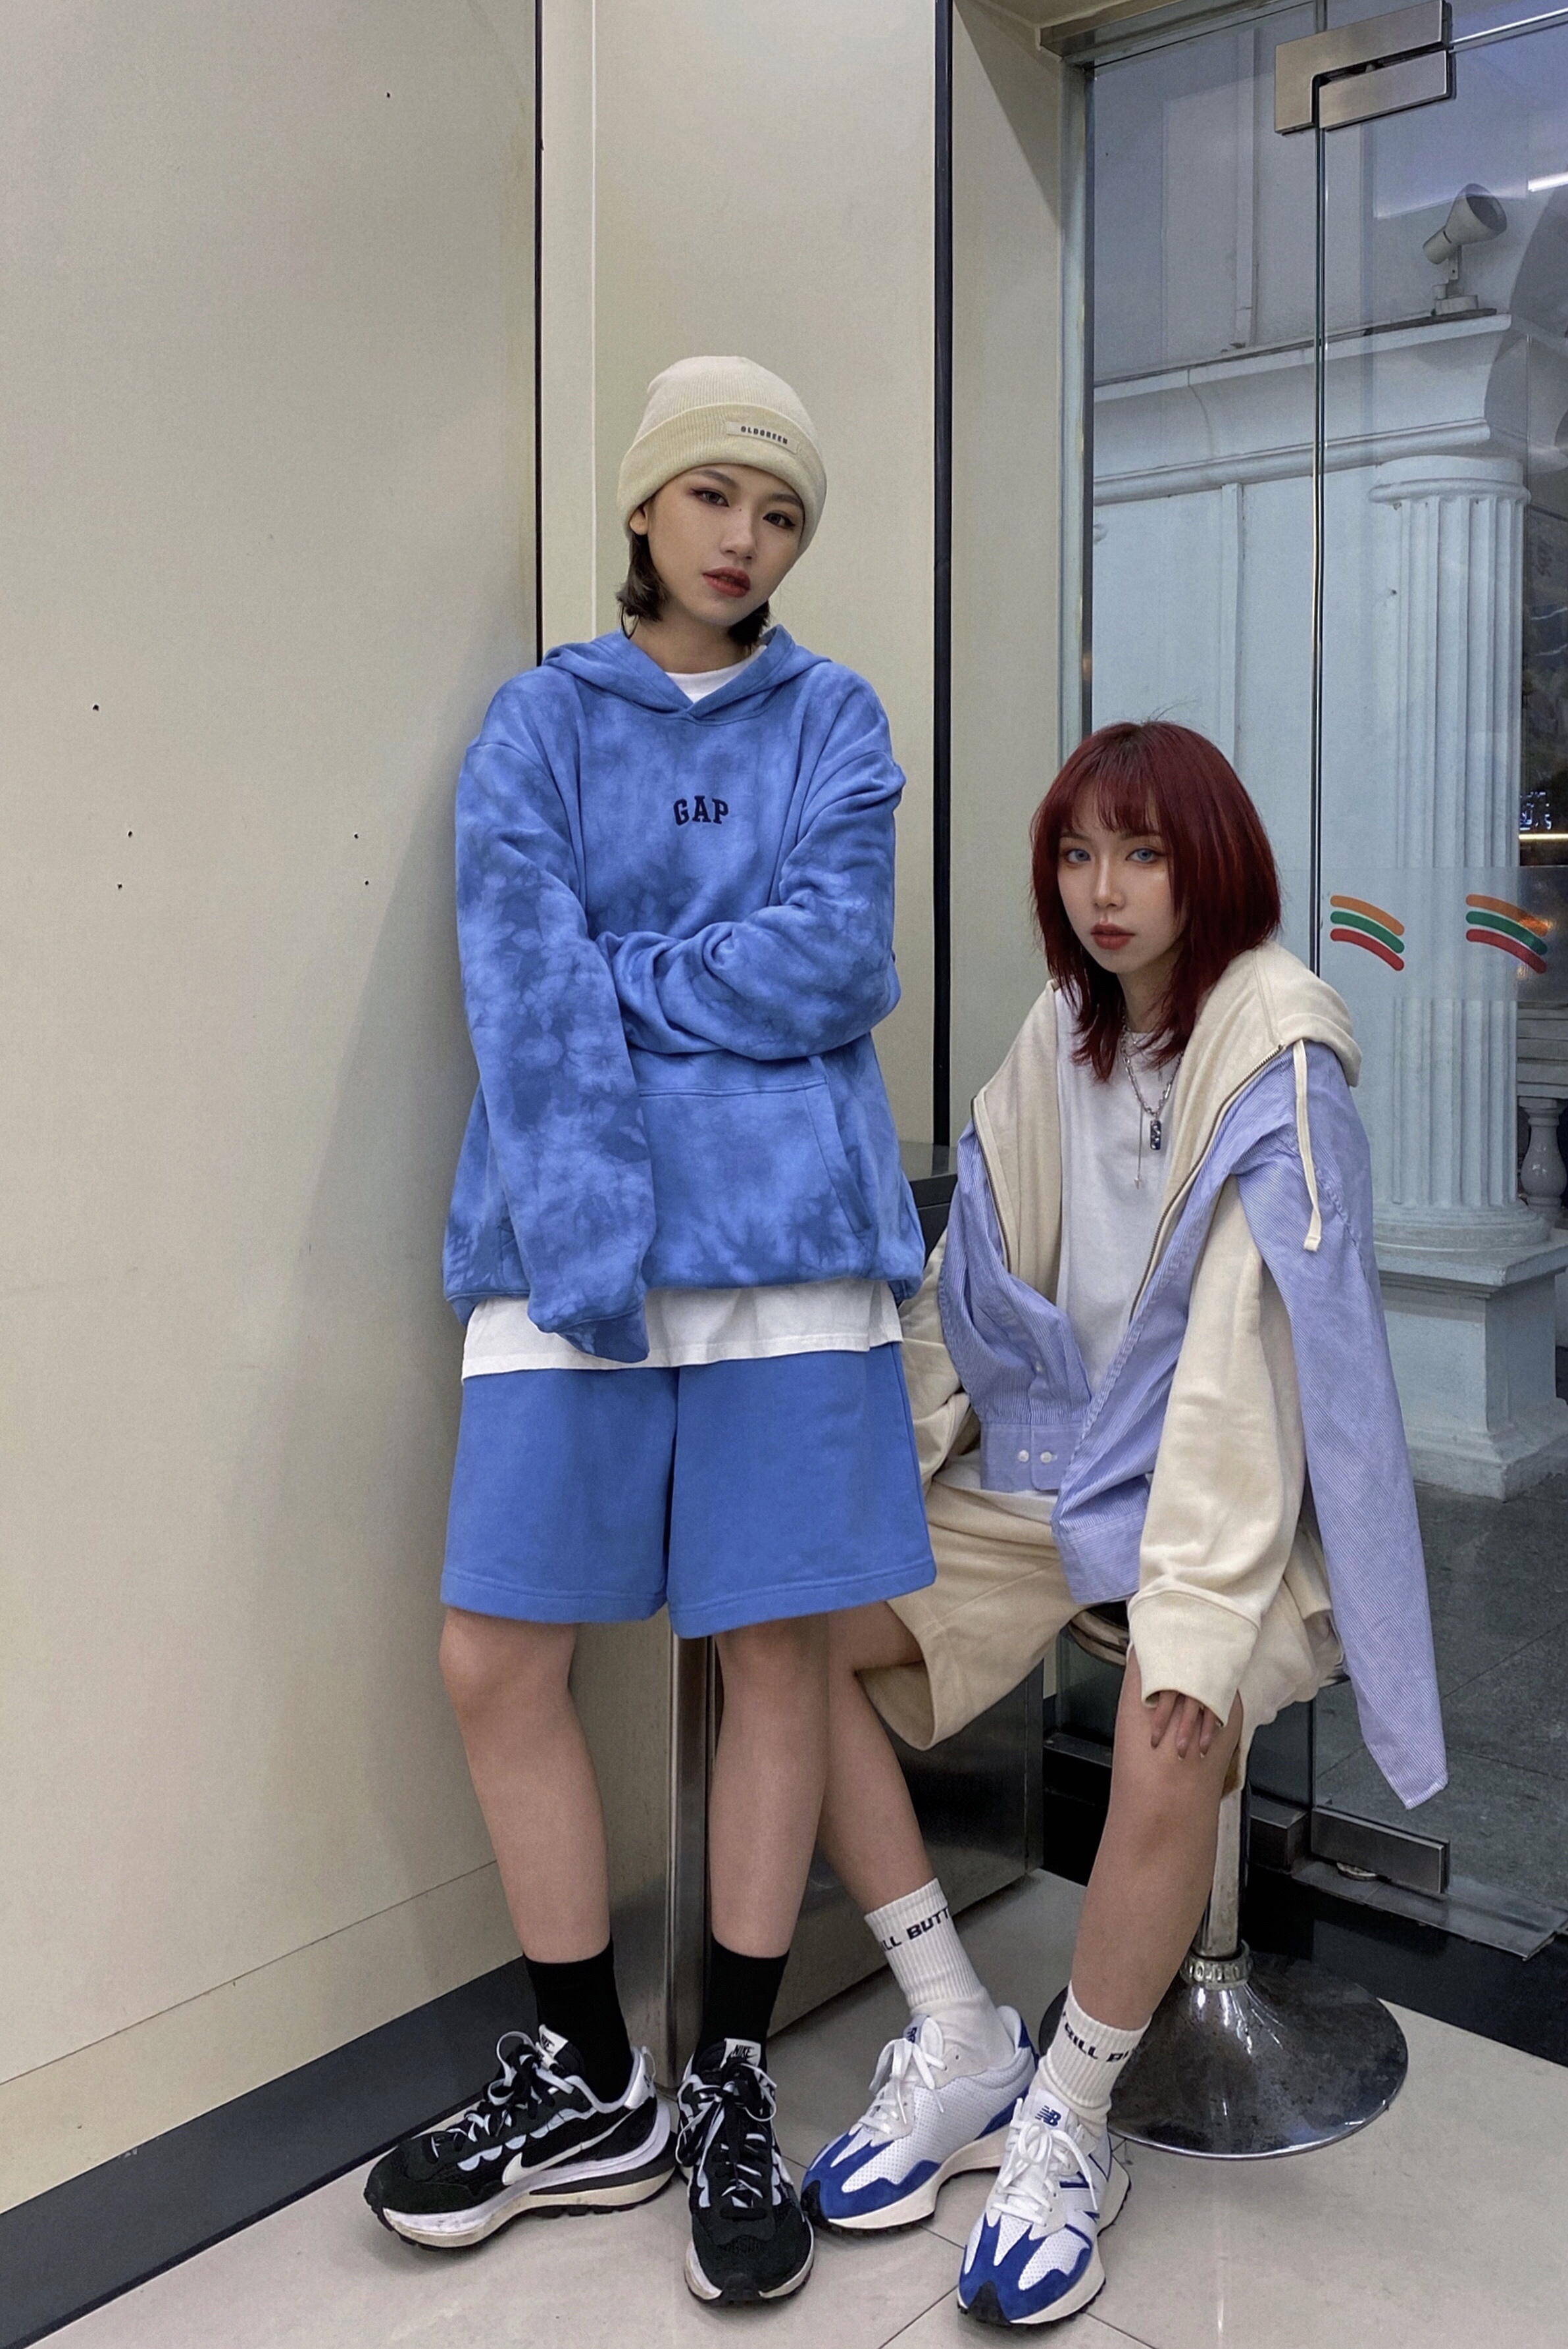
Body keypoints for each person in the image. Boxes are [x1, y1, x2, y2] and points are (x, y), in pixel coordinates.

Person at [364, 357, 934, 2307]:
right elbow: (516, 993)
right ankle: (590, 2074)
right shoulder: (540, 724)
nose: (743, 539)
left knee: (772, 1651)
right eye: (711, 497)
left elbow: (836, 961)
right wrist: (600, 1211)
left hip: (792, 1253)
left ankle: (728, 2082)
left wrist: (617, 974)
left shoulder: (834, 715)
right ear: (640, 506)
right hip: (568, 1242)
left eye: (778, 514)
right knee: (494, 1652)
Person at [801, 721, 1446, 2327]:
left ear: (1208, 863)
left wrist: (1196, 1620)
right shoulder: (1062, 1029)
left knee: (1172, 1720)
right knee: (786, 1630)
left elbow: (1249, 1376)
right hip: (1061, 1474)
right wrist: (876, 1479)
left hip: (1241, 1502)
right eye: (1080, 854)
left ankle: (1071, 2116)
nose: (1106, 890)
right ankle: (960, 2029)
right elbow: (975, 1278)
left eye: (1143, 853)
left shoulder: (1276, 1058)